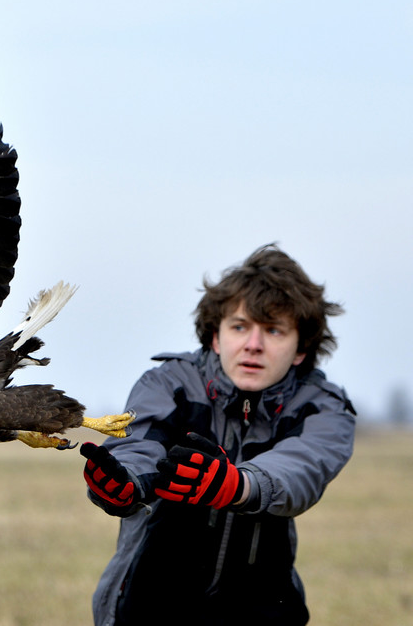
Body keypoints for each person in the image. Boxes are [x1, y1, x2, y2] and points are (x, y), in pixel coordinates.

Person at [81, 244, 355, 626]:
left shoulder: (323, 406)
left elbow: (302, 468)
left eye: (273, 330)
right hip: (146, 605)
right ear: (215, 336)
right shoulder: (169, 383)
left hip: (263, 608)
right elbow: (138, 441)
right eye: (240, 327)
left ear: (301, 348)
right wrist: (125, 481)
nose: (253, 345)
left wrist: (237, 485)